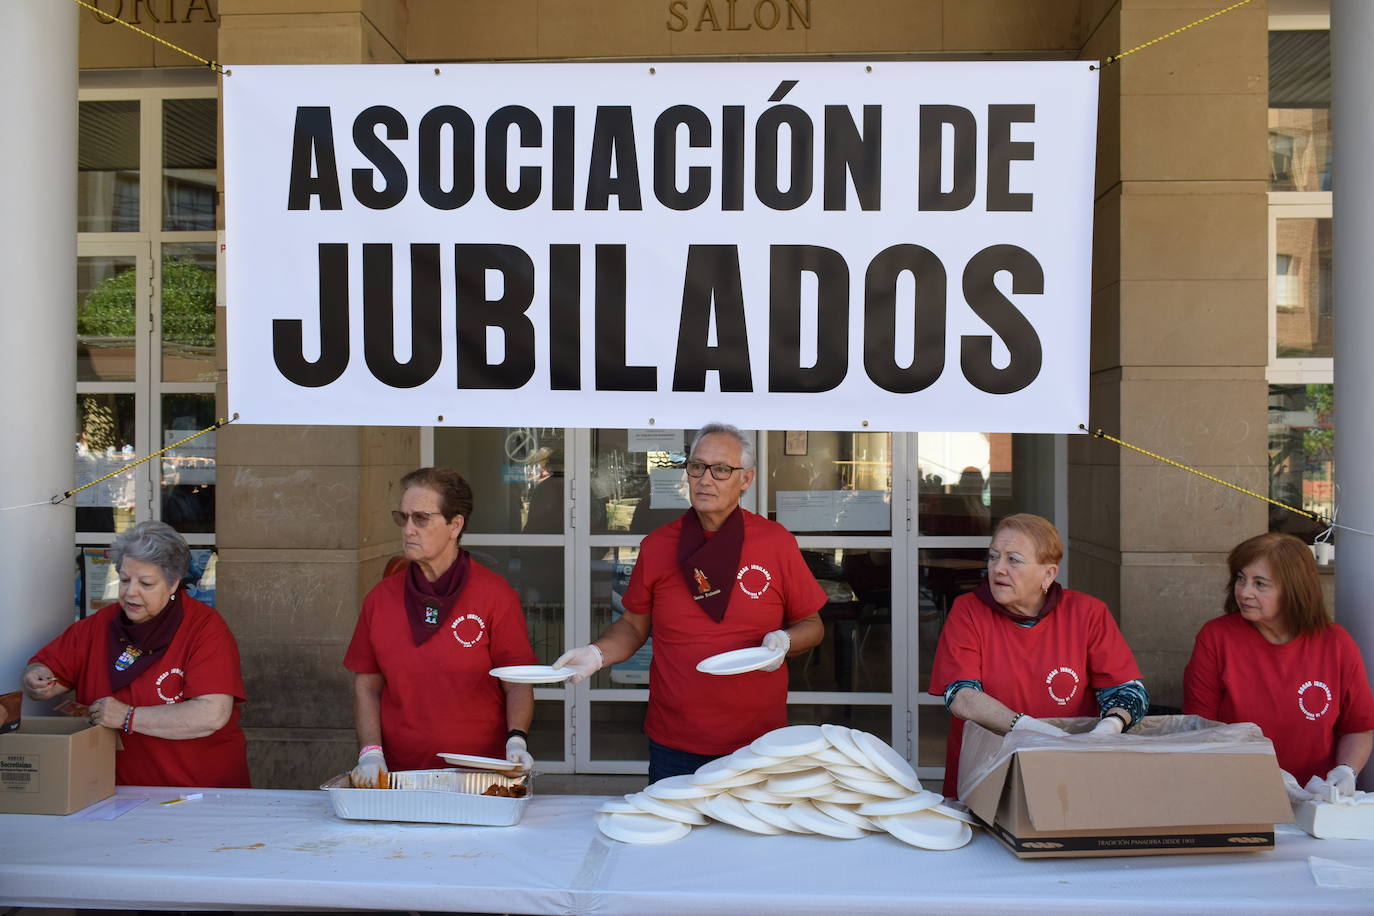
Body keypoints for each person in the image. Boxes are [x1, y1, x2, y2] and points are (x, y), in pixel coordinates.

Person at [555, 423, 827, 782]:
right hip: (675, 738)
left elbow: (813, 625)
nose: (705, 479)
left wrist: (785, 642)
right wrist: (597, 653)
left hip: (757, 740)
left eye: (721, 470)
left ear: (745, 479)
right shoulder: (658, 545)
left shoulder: (774, 543)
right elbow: (634, 626)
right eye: (697, 467)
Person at [928, 513, 1148, 798]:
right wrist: (1032, 729)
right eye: (994, 557)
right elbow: (962, 697)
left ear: (1049, 574)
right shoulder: (968, 610)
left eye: (1013, 560)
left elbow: (1128, 691)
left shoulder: (1087, 613)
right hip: (987, 770)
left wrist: (1107, 729)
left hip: (1067, 769)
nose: (998, 569)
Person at [345, 467, 538, 787]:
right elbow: (366, 685)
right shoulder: (381, 598)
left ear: (455, 524)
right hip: (398, 774)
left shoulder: (495, 595)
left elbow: (517, 682)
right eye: (403, 517)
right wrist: (370, 753)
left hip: (480, 773)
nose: (408, 530)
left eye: (421, 518)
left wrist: (516, 740)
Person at [22, 520, 250, 787]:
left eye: (146, 583)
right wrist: (37, 678)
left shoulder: (204, 629)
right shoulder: (99, 625)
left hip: (198, 791)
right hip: (114, 792)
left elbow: (211, 715)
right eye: (124, 580)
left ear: (173, 583)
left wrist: (129, 717)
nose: (131, 592)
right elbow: (51, 671)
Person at [1184, 532, 1374, 795]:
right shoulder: (1216, 638)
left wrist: (1346, 770)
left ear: (1294, 589)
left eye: (1260, 584)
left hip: (1316, 799)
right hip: (1236, 793)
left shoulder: (1336, 643)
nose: (1244, 592)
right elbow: (1197, 728)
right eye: (1241, 579)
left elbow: (1358, 728)